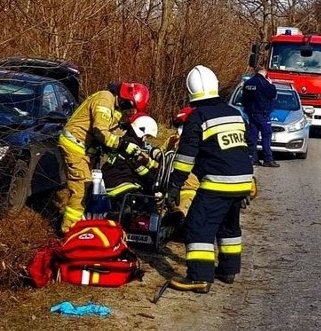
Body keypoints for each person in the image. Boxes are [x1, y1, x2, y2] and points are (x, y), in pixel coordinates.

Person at [164, 65, 254, 294]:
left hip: (217, 182)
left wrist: (175, 185)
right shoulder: (233, 112)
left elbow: (185, 158)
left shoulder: (198, 117)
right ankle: (228, 269)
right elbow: (245, 147)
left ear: (190, 91)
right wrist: (250, 180)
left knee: (198, 226)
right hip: (243, 180)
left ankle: (199, 277)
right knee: (229, 225)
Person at [58, 82, 150, 232]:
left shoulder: (114, 106)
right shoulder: (105, 99)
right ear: (126, 99)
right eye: (131, 107)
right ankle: (68, 233)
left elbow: (112, 131)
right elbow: (100, 132)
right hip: (74, 145)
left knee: (88, 191)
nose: (130, 112)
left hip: (85, 150)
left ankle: (80, 227)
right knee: (81, 190)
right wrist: (122, 145)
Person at [101, 113, 162, 200]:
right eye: (147, 136)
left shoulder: (124, 142)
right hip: (120, 185)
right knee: (147, 203)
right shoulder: (133, 148)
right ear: (141, 131)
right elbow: (140, 170)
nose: (146, 140)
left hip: (109, 179)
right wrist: (157, 182)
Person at [241, 65, 279, 167]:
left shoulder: (248, 83)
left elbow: (243, 99)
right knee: (266, 135)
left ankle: (253, 158)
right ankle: (268, 159)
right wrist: (271, 85)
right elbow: (273, 95)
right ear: (265, 72)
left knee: (253, 136)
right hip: (262, 113)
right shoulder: (264, 83)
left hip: (251, 113)